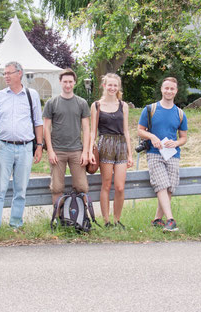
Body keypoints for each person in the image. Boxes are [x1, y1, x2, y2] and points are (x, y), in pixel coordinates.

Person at [0, 62, 44, 230]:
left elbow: (38, 122)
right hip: (4, 147)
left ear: (19, 74)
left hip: (25, 147)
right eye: (4, 73)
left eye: (9, 73)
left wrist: (39, 146)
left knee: (20, 189)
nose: (6, 76)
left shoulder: (31, 94)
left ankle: (16, 224)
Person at [137, 77, 188, 232]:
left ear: (176, 91)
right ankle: (171, 220)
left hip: (172, 154)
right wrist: (152, 137)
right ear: (161, 89)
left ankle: (157, 219)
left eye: (172, 89)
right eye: (166, 88)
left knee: (170, 187)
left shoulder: (180, 113)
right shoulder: (150, 109)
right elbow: (140, 130)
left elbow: (184, 137)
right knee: (161, 184)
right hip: (154, 153)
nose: (169, 91)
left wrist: (176, 143)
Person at [89, 73, 133, 228]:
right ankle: (107, 221)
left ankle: (117, 220)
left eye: (115, 85)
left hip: (120, 144)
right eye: (110, 85)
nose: (112, 88)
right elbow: (92, 131)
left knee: (120, 186)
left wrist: (130, 153)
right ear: (104, 86)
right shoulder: (96, 105)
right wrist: (89, 151)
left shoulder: (123, 106)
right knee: (106, 184)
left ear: (118, 87)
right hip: (105, 143)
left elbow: (126, 131)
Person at [43, 69, 91, 205]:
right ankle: (58, 219)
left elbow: (86, 128)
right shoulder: (52, 103)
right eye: (65, 82)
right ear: (60, 82)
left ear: (75, 83)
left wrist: (85, 152)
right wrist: (50, 151)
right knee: (57, 187)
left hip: (77, 150)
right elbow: (46, 128)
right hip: (57, 151)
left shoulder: (81, 103)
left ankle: (81, 219)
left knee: (82, 187)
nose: (68, 85)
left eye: (70, 82)